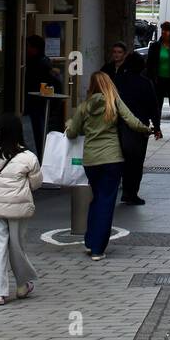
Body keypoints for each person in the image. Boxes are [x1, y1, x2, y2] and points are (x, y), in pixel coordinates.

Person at [66, 71, 150, 258]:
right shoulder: (114, 101)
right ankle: (97, 248)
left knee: (96, 199)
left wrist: (70, 123)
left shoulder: (84, 106)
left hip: (91, 161)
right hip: (112, 159)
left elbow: (72, 133)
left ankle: (90, 241)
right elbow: (132, 121)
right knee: (106, 202)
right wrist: (146, 129)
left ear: (92, 85)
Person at [0, 113, 42, 305]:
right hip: (18, 210)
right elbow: (36, 183)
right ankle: (22, 285)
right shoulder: (28, 157)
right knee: (17, 248)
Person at [116, 52, 161, 204]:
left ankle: (123, 189)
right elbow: (153, 106)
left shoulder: (118, 81)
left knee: (122, 159)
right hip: (140, 126)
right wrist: (157, 126)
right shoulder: (145, 83)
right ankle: (131, 192)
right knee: (136, 162)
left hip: (121, 124)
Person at [145, 21, 170, 140]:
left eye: (166, 30)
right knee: (157, 105)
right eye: (162, 30)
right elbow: (150, 64)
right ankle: (157, 129)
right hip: (158, 80)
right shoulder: (155, 46)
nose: (164, 32)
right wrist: (151, 79)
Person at [25, 33, 62, 154]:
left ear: (34, 48)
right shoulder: (41, 62)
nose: (26, 49)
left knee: (39, 135)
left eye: (28, 46)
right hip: (37, 105)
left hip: (37, 105)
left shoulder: (40, 64)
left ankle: (42, 157)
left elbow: (50, 85)